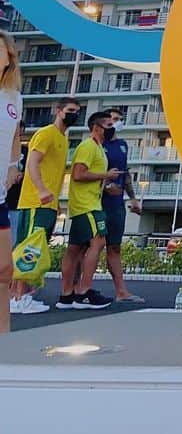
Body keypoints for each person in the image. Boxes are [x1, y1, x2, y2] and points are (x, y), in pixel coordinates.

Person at [11, 97, 81, 314]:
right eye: (70, 110)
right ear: (58, 111)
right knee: (29, 248)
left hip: (48, 205)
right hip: (34, 202)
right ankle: (19, 298)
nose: (74, 114)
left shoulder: (62, 139)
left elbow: (56, 174)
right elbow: (32, 162)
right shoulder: (46, 133)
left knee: (36, 249)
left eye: (77, 111)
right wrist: (41, 190)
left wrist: (55, 202)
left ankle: (20, 295)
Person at [57, 111, 120, 310]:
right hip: (87, 206)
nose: (113, 128)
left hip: (88, 203)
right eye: (109, 125)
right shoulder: (88, 146)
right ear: (97, 127)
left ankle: (66, 295)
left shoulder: (99, 148)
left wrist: (106, 183)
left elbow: (89, 175)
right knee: (99, 241)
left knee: (76, 248)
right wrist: (106, 175)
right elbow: (77, 174)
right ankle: (83, 291)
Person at [101, 107, 143, 304]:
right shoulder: (96, 145)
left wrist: (133, 198)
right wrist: (105, 185)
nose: (116, 123)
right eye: (113, 119)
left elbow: (124, 174)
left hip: (117, 204)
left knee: (115, 247)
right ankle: (78, 289)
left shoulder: (122, 145)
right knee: (87, 247)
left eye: (119, 119)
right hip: (96, 203)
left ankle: (121, 291)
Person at [1, 32, 24, 331]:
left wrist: (11, 168)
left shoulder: (14, 97)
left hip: (0, 195)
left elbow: (16, 138)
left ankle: (5, 335)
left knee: (5, 269)